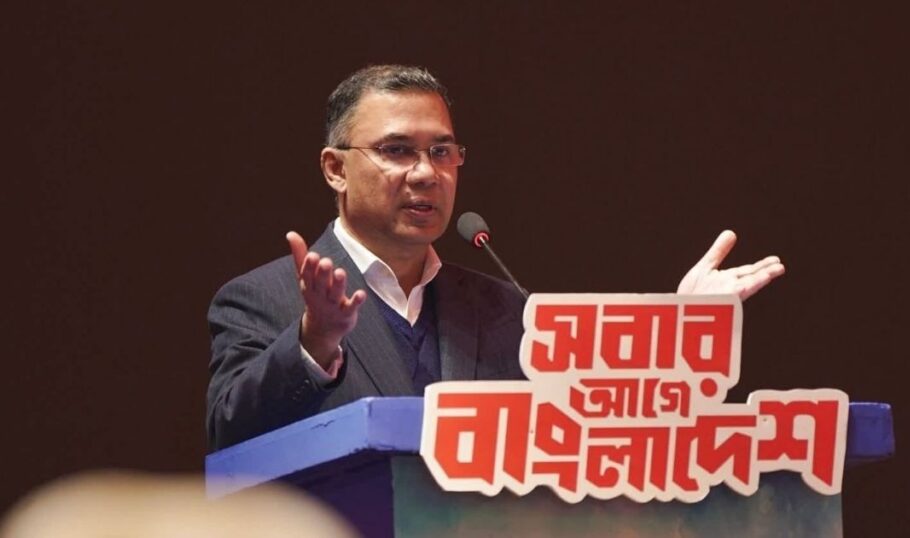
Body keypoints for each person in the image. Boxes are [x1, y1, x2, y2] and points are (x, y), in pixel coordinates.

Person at [206, 65, 785, 451]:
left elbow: (594, 422)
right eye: (397, 150)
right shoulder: (265, 298)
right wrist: (315, 340)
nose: (426, 173)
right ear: (335, 168)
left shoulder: (503, 307)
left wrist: (681, 328)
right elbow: (229, 435)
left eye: (442, 151)